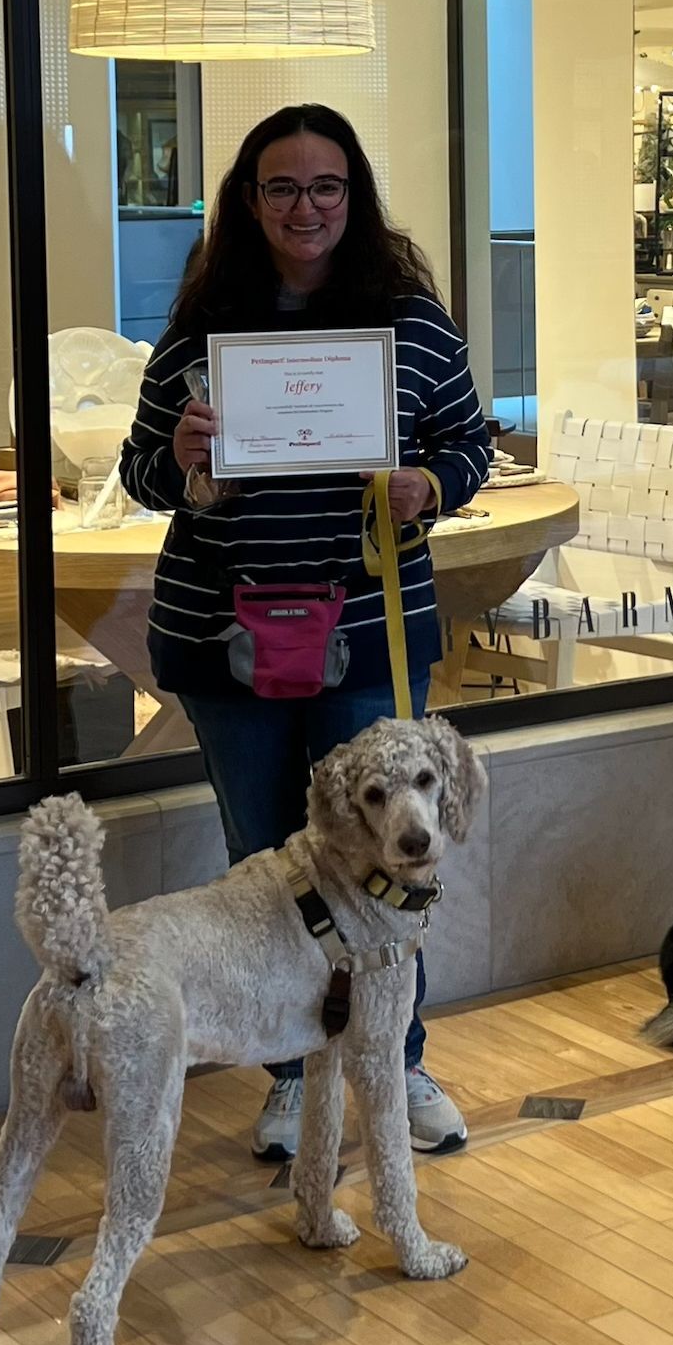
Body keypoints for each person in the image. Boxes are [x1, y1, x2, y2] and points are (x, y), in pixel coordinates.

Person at [120, 104, 492, 1157]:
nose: (305, 207)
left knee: (392, 860)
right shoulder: (200, 329)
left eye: (326, 186)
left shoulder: (410, 323)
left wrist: (429, 484)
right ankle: (292, 1075)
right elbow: (139, 470)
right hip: (225, 634)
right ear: (249, 201)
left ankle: (397, 1065)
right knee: (267, 866)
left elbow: (470, 442)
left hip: (367, 631)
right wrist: (183, 464)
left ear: (353, 196)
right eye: (281, 187)